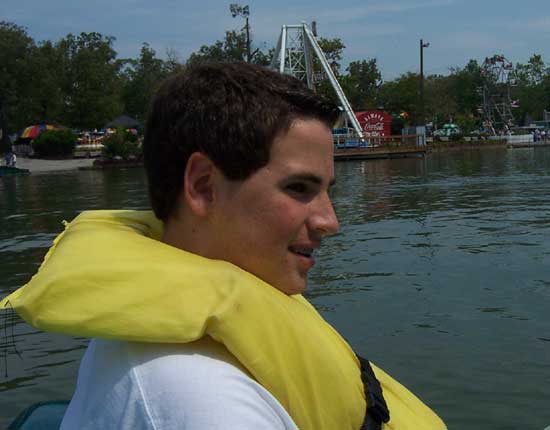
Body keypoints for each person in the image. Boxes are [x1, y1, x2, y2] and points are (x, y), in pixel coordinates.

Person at [1, 63, 446, 430]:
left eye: (327, 189)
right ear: (202, 186)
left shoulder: (181, 334)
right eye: (298, 188)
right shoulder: (200, 403)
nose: (331, 221)